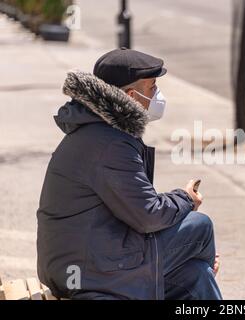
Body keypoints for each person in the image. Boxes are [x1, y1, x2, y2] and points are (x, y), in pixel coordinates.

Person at [36, 48, 222, 300]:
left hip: (84, 260)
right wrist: (186, 198)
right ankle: (209, 266)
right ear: (132, 96)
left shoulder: (98, 131)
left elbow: (135, 208)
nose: (158, 95)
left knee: (196, 274)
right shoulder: (109, 143)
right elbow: (147, 216)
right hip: (87, 271)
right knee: (199, 226)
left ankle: (206, 269)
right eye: (152, 88)